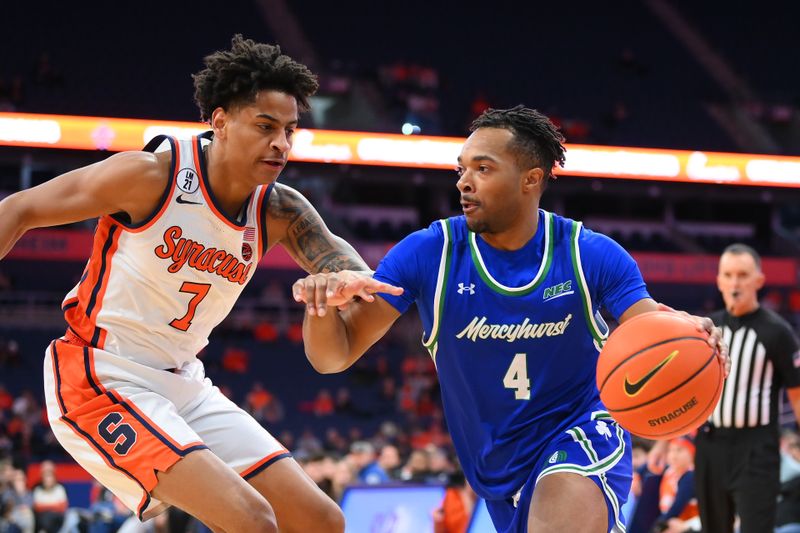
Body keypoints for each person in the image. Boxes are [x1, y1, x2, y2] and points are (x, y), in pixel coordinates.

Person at [0, 35, 395, 533]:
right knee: (252, 519)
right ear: (221, 121)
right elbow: (19, 209)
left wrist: (341, 283)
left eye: (290, 131)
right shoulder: (151, 176)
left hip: (183, 381)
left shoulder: (279, 209)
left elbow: (348, 268)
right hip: (100, 374)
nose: (281, 144)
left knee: (320, 521)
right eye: (265, 126)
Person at [292, 106, 729, 532]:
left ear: (531, 179)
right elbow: (335, 356)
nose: (464, 182)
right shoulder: (429, 252)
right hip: (496, 467)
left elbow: (649, 332)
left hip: (581, 435)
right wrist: (321, 306)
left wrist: (690, 336)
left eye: (483, 168)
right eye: (461, 169)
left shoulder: (590, 254)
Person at [661, 244, 799, 533]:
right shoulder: (705, 330)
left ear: (758, 280)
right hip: (710, 445)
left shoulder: (778, 332)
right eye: (728, 274)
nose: (735, 282)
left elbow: (797, 394)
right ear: (719, 280)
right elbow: (683, 390)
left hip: (757, 448)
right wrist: (663, 441)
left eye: (743, 275)